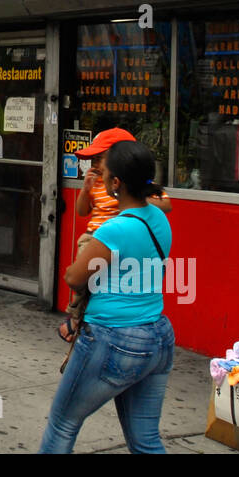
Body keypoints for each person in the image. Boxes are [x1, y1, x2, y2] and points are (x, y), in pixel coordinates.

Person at [40, 140, 175, 454]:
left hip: (113, 339)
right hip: (158, 336)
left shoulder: (114, 230)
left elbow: (73, 276)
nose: (99, 177)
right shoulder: (160, 220)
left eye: (104, 173)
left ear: (117, 183)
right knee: (146, 440)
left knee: (62, 425)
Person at [63, 127, 172, 338]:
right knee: (87, 280)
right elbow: (82, 211)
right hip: (95, 237)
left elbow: (165, 203)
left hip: (112, 327)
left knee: (86, 280)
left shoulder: (126, 217)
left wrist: (127, 198)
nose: (95, 165)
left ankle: (78, 316)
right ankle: (78, 313)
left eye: (100, 158)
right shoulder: (96, 184)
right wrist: (86, 190)